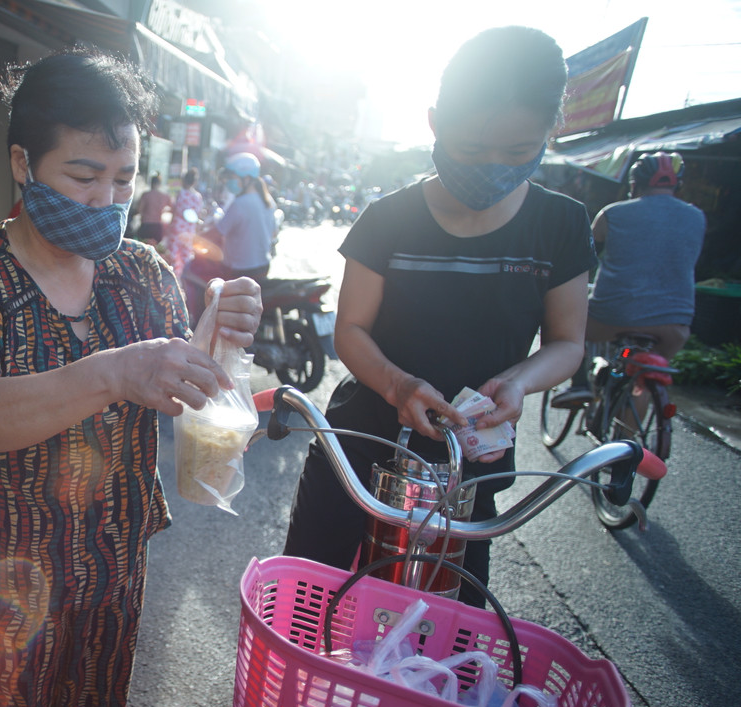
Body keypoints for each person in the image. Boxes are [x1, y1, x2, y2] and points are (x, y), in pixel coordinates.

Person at [0, 48, 261, 707]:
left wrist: (218, 335)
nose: (107, 199)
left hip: (112, 561)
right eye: (83, 176)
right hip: (5, 572)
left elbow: (181, 387)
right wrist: (108, 372)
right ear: (22, 162)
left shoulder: (142, 272)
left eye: (124, 178)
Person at [282, 26, 597, 608]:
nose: (493, 167)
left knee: (441, 625)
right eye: (473, 150)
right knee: (309, 603)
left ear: (551, 134)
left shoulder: (561, 225)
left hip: (467, 463)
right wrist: (400, 385)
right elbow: (350, 330)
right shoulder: (387, 219)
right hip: (360, 445)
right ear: (434, 123)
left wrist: (520, 381)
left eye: (519, 152)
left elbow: (567, 342)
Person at [552, 151, 706, 407]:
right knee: (644, 382)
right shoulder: (697, 217)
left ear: (635, 184)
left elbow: (579, 259)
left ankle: (580, 386)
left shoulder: (613, 213)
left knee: (568, 332)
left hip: (612, 316)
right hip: (675, 325)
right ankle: (631, 442)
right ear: (677, 184)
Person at [214, 152, 278, 281]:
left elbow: (217, 232)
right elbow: (274, 232)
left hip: (240, 271)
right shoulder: (269, 201)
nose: (229, 181)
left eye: (232, 177)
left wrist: (196, 237)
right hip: (263, 266)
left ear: (246, 179)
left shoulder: (240, 204)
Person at [163, 167, 205, 278]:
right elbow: (198, 215)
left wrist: (169, 227)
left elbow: (175, 211)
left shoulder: (180, 193)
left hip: (177, 228)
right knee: (186, 256)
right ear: (194, 182)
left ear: (184, 180)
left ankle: (173, 278)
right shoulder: (198, 197)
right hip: (189, 230)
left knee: (173, 255)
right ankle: (185, 279)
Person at [132, 173, 171, 244]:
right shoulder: (165, 196)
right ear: (159, 184)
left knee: (143, 250)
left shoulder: (145, 195)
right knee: (156, 250)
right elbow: (172, 209)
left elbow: (139, 210)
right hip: (158, 226)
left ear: (151, 183)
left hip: (146, 225)